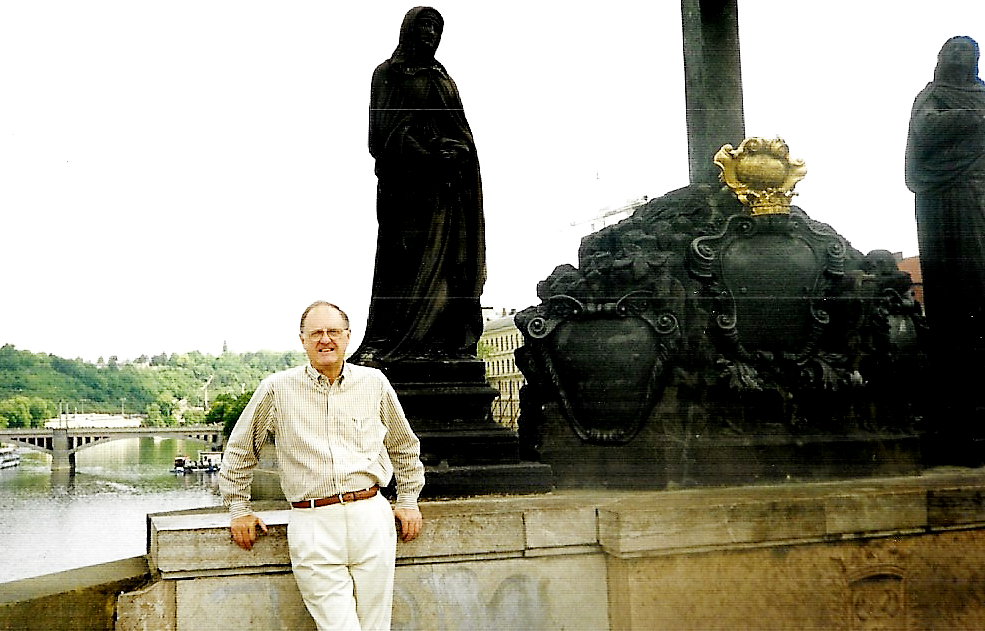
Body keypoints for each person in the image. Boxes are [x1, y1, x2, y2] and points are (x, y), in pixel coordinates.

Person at [219, 300, 425, 631]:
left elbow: (404, 445)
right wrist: (238, 508)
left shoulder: (374, 383)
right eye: (316, 333)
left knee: (376, 626)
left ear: (348, 336)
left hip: (371, 516)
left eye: (333, 332)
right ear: (302, 340)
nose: (325, 340)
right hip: (313, 522)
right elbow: (241, 450)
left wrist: (408, 499)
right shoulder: (277, 389)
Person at [351, 6, 486, 366]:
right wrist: (428, 154)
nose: (431, 33)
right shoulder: (388, 74)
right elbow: (382, 136)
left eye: (437, 28)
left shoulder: (443, 78)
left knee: (448, 269)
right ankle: (396, 342)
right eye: (425, 26)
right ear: (409, 30)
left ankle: (442, 344)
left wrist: (457, 150)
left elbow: (460, 130)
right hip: (407, 191)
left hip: (445, 193)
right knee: (404, 266)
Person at [905, 35, 985, 419]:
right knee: (960, 278)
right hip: (949, 197)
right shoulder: (932, 95)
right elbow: (927, 128)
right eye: (951, 49)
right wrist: (975, 119)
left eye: (965, 50)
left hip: (981, 192)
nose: (957, 54)